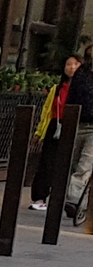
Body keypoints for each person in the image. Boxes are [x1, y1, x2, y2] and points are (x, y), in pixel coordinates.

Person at [35, 52, 82, 211]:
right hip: (56, 126)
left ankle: (67, 199)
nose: (72, 68)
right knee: (48, 163)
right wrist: (39, 132)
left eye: (76, 64)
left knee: (72, 164)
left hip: (77, 126)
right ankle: (40, 197)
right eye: (69, 64)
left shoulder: (84, 89)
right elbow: (47, 111)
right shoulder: (57, 88)